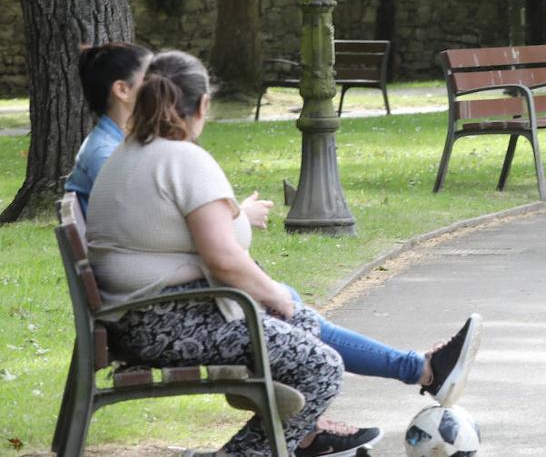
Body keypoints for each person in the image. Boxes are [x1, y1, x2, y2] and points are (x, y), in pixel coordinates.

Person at [86, 50, 480, 457]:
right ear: (203, 104)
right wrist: (272, 296)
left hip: (146, 318)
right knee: (321, 367)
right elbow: (222, 258)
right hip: (170, 322)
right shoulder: (182, 158)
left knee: (300, 318)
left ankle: (391, 386)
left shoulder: (128, 153)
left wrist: (276, 298)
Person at [65, 42, 152, 215]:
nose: (163, 86)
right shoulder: (104, 154)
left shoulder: (123, 142)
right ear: (122, 90)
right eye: (150, 78)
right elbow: (140, 216)